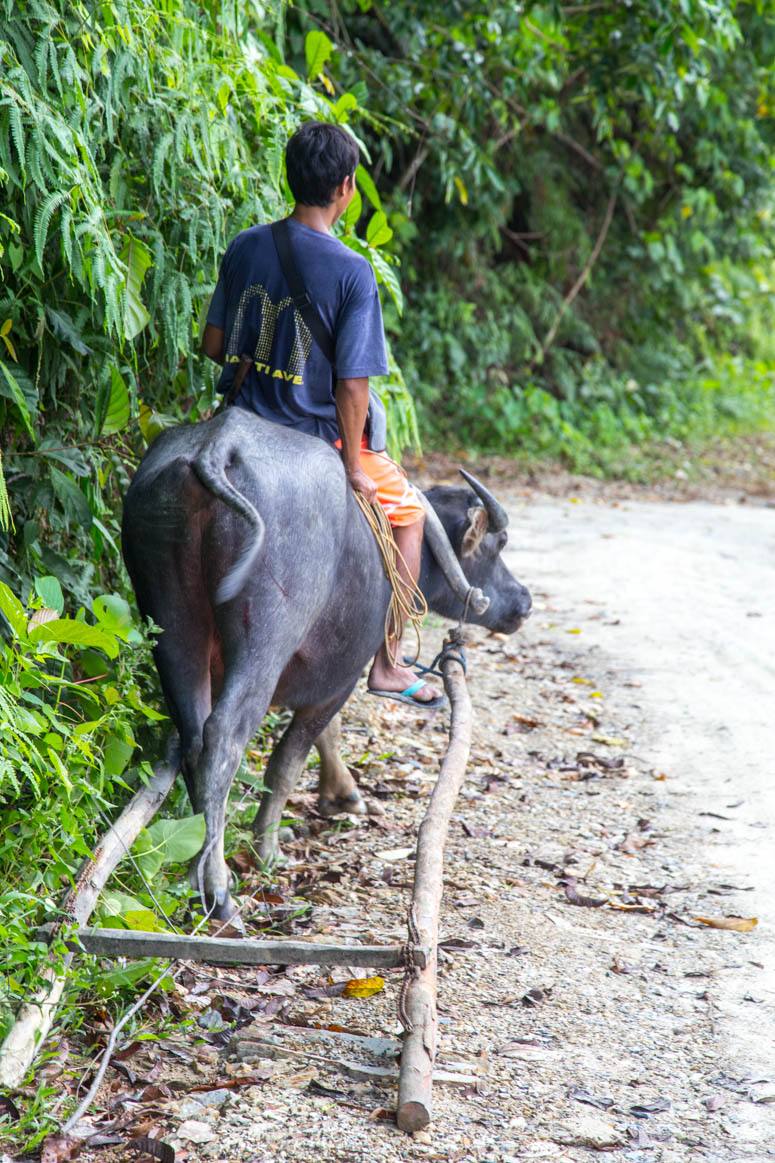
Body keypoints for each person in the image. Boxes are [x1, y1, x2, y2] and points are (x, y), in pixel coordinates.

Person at [202, 120, 441, 707]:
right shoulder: (353, 273)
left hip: (242, 422)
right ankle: (387, 663)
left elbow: (212, 345)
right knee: (408, 514)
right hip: (311, 440)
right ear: (346, 188)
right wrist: (356, 466)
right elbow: (353, 389)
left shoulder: (246, 246)